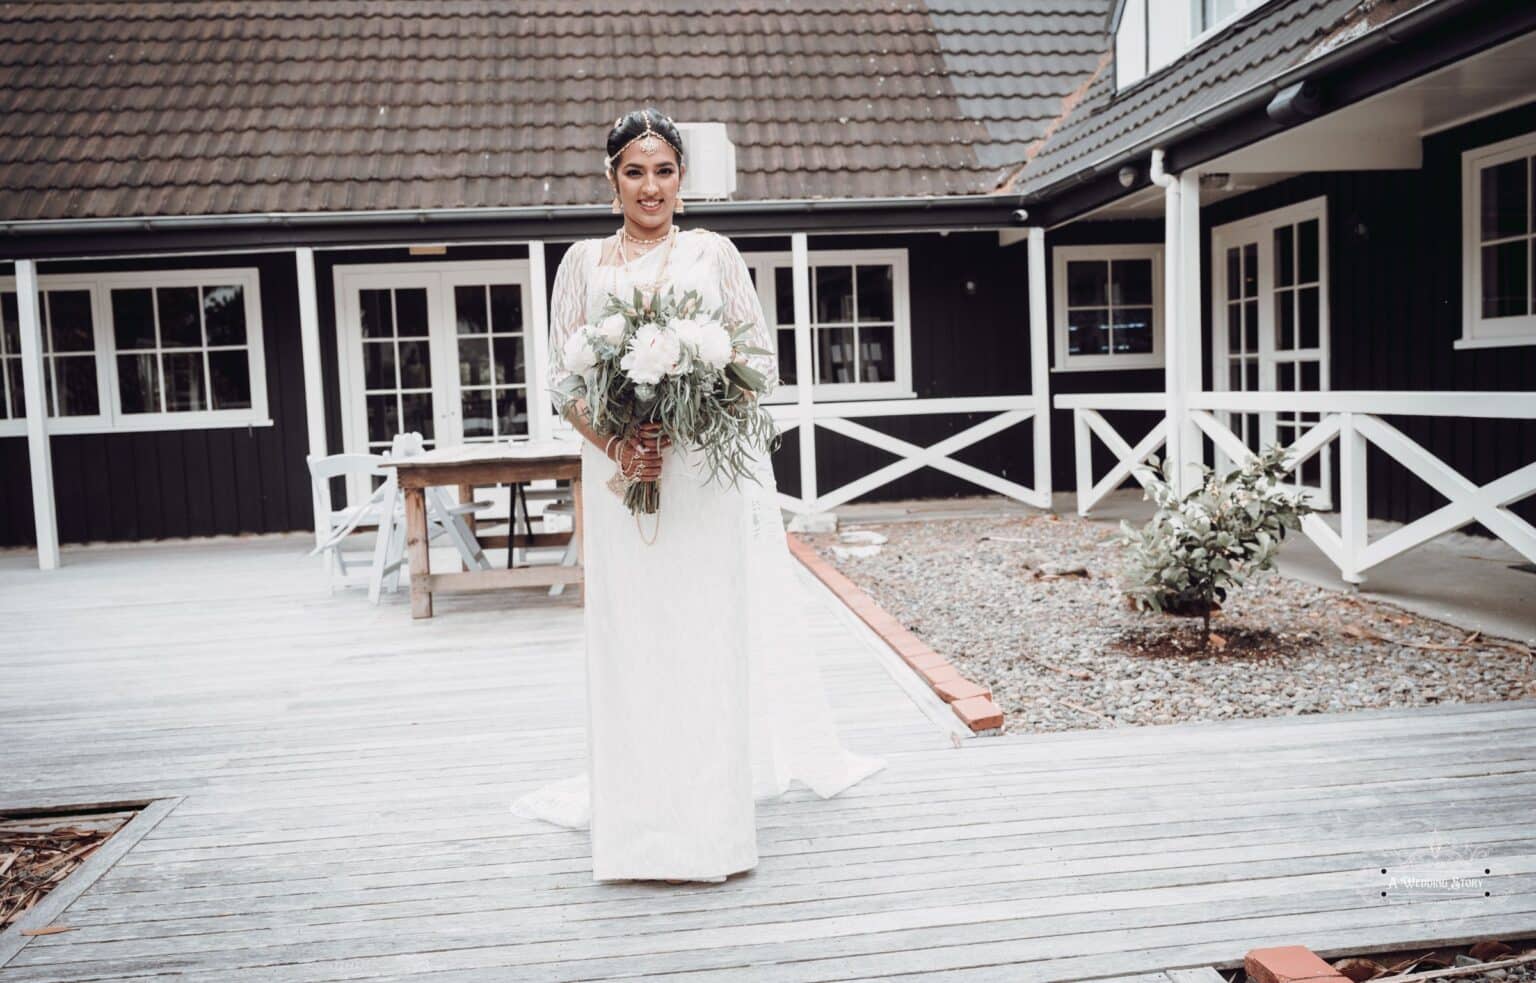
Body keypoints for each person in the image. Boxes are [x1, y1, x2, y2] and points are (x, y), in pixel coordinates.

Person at [509, 107, 887, 884]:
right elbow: (561, 380)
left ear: (683, 179)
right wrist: (621, 441)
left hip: (702, 475)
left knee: (703, 636)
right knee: (631, 641)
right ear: (611, 179)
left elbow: (754, 361)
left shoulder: (715, 254)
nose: (651, 186)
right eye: (634, 171)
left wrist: (691, 415)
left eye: (665, 170)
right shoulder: (581, 262)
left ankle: (710, 831)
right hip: (620, 481)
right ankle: (637, 831)